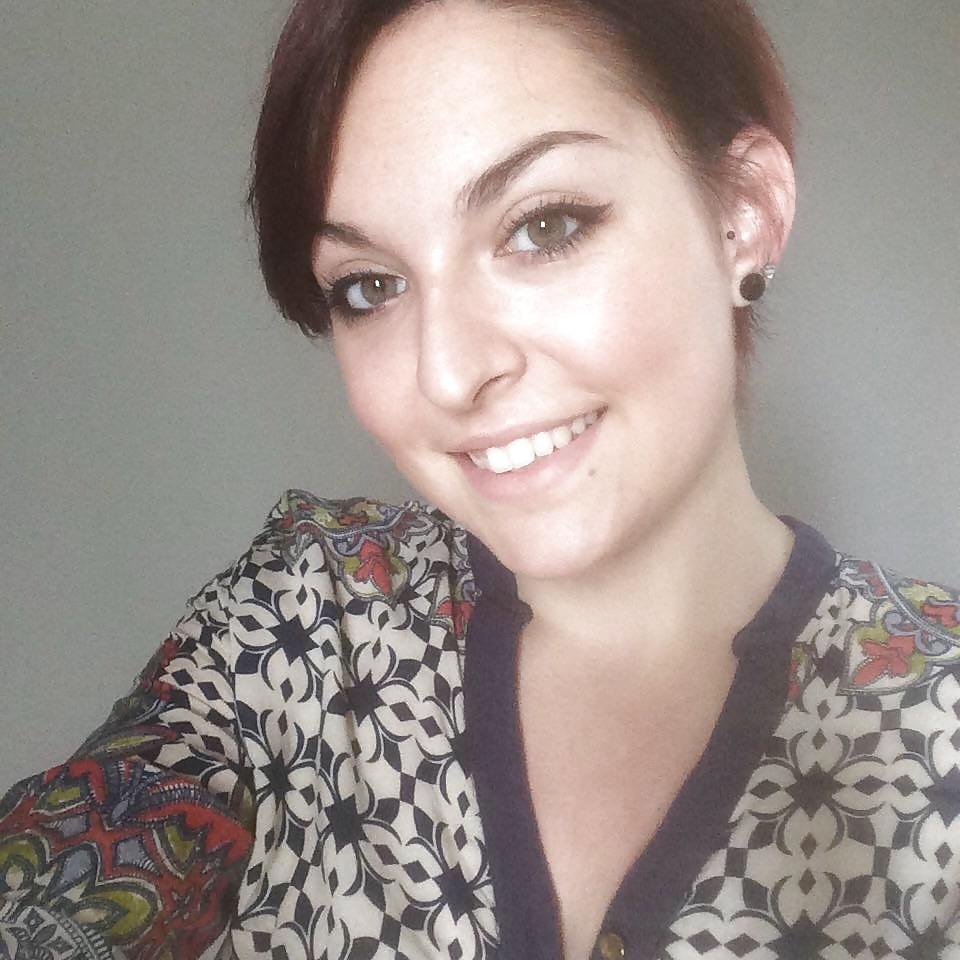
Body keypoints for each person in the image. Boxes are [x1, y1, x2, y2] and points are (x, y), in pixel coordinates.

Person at [1, 1, 958, 958]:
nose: (449, 373)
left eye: (544, 226)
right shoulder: (308, 616)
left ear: (744, 214)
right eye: (370, 285)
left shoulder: (932, 716)